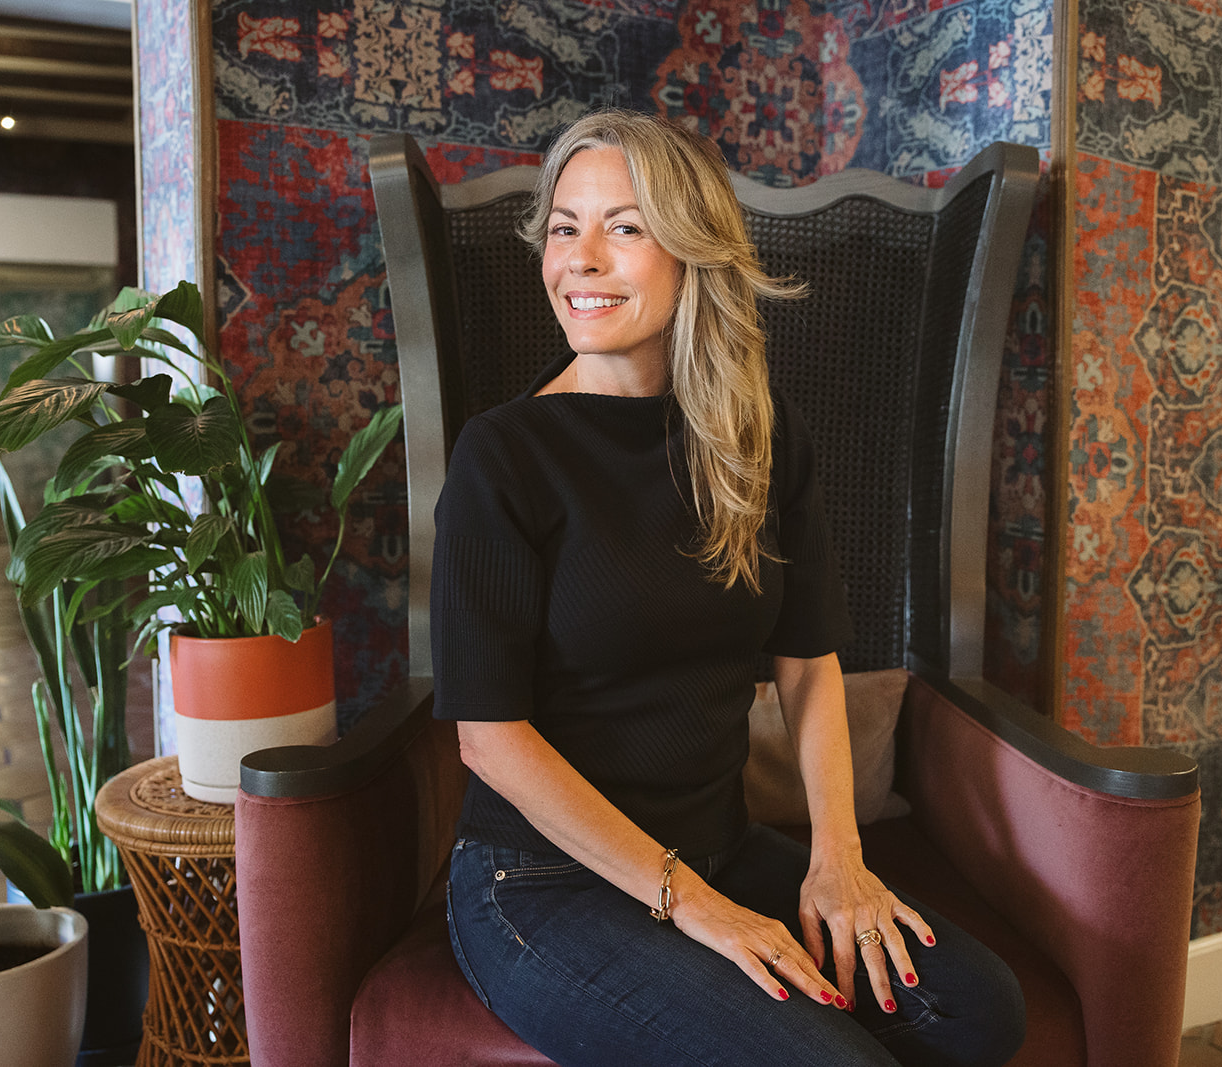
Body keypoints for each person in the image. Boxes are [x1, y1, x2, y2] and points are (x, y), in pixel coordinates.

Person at [432, 109, 1025, 1067]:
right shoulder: (504, 457)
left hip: (721, 842)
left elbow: (809, 663)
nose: (579, 259)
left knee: (977, 1009)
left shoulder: (757, 434)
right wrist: (697, 908)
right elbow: (488, 739)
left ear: (690, 250)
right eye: (563, 227)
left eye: (624, 227)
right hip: (543, 882)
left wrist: (840, 859)